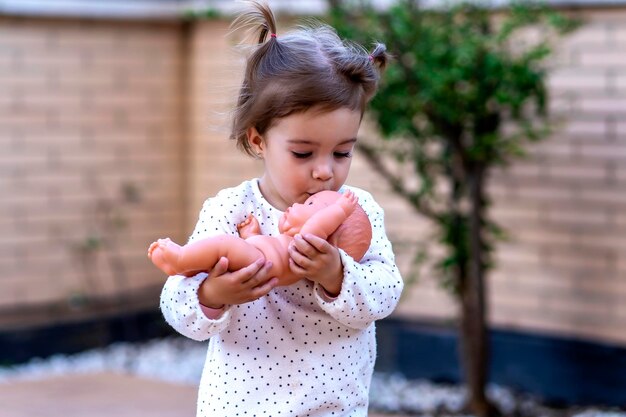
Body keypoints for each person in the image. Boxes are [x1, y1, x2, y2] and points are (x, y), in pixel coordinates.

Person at [159, 1, 404, 415]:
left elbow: (384, 294)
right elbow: (177, 307)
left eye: (342, 152)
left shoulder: (355, 208)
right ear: (258, 141)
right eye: (304, 153)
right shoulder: (232, 210)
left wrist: (336, 275)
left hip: (332, 406)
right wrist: (214, 293)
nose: (325, 172)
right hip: (240, 406)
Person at [148, 189, 372, 286]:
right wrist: (252, 235)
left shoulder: (309, 245)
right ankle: (191, 268)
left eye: (311, 204)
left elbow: (316, 226)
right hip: (257, 257)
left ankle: (181, 259)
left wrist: (341, 210)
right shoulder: (290, 243)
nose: (299, 204)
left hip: (258, 263)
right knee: (219, 257)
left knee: (224, 245)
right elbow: (269, 245)